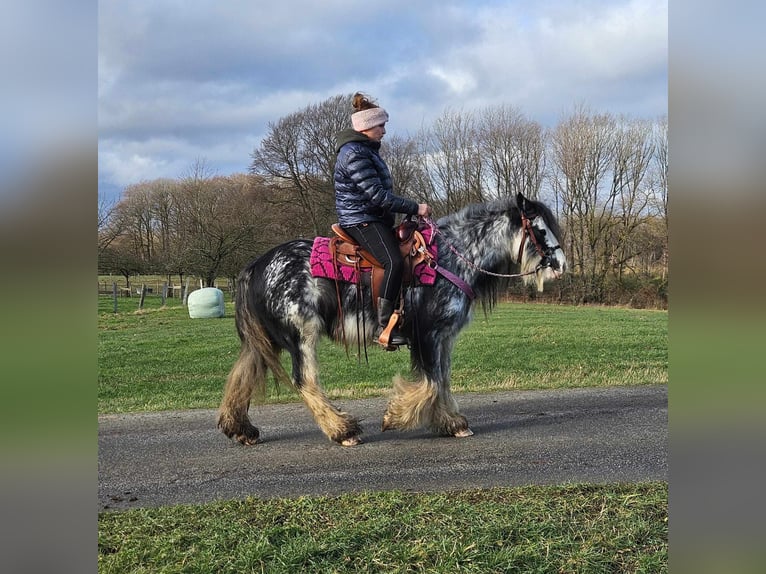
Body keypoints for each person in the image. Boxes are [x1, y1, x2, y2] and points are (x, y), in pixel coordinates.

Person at [334, 92, 431, 348]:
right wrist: (416, 207)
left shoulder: (365, 151)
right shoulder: (355, 153)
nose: (384, 131)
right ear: (366, 127)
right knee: (393, 262)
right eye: (381, 125)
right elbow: (377, 195)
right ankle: (383, 326)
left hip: (371, 216)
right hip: (361, 219)